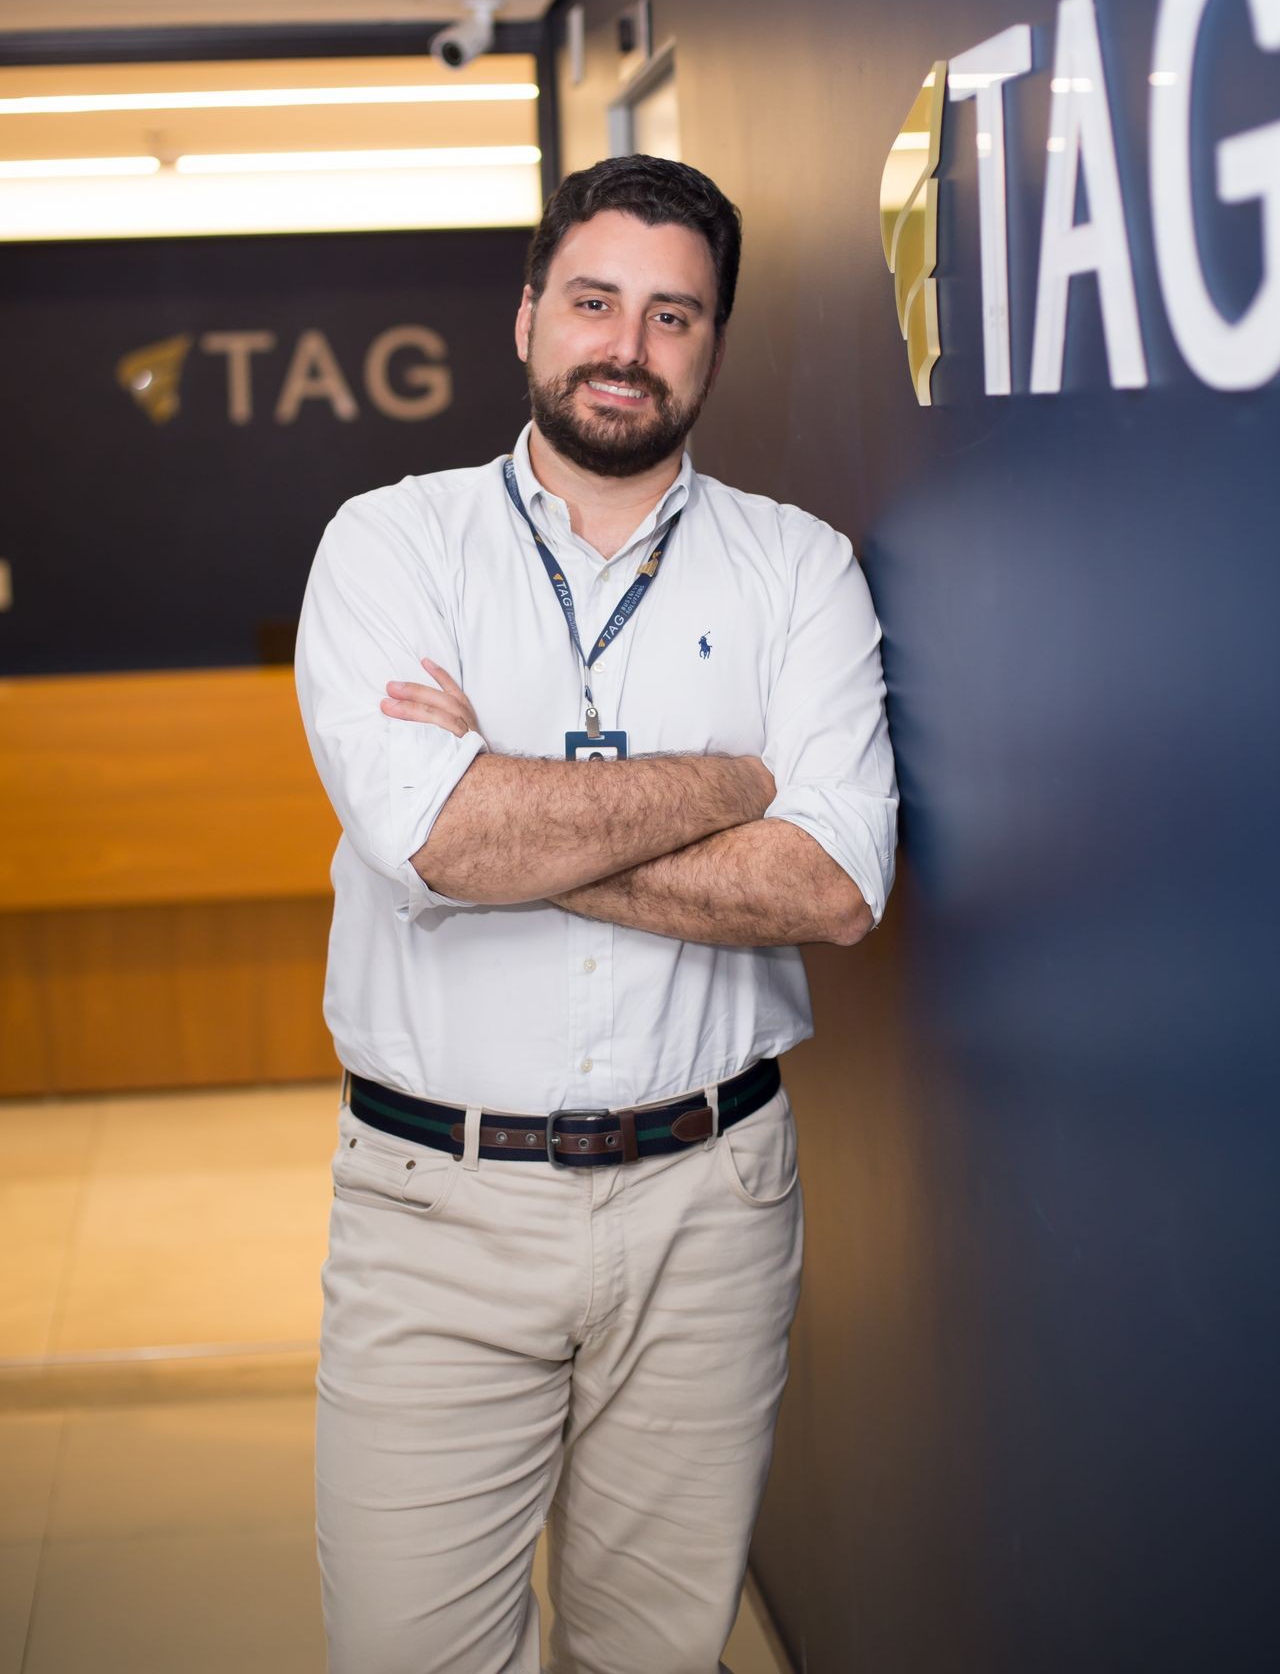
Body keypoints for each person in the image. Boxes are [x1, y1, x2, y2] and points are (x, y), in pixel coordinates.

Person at [295, 154, 897, 1674]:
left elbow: (827, 888)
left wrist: (513, 810)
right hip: (439, 1206)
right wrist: (741, 780)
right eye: (594, 301)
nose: (627, 345)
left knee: (653, 1655)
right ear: (526, 321)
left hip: (712, 1203)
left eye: (674, 316)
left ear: (711, 345)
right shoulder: (391, 544)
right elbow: (433, 837)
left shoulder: (799, 567)